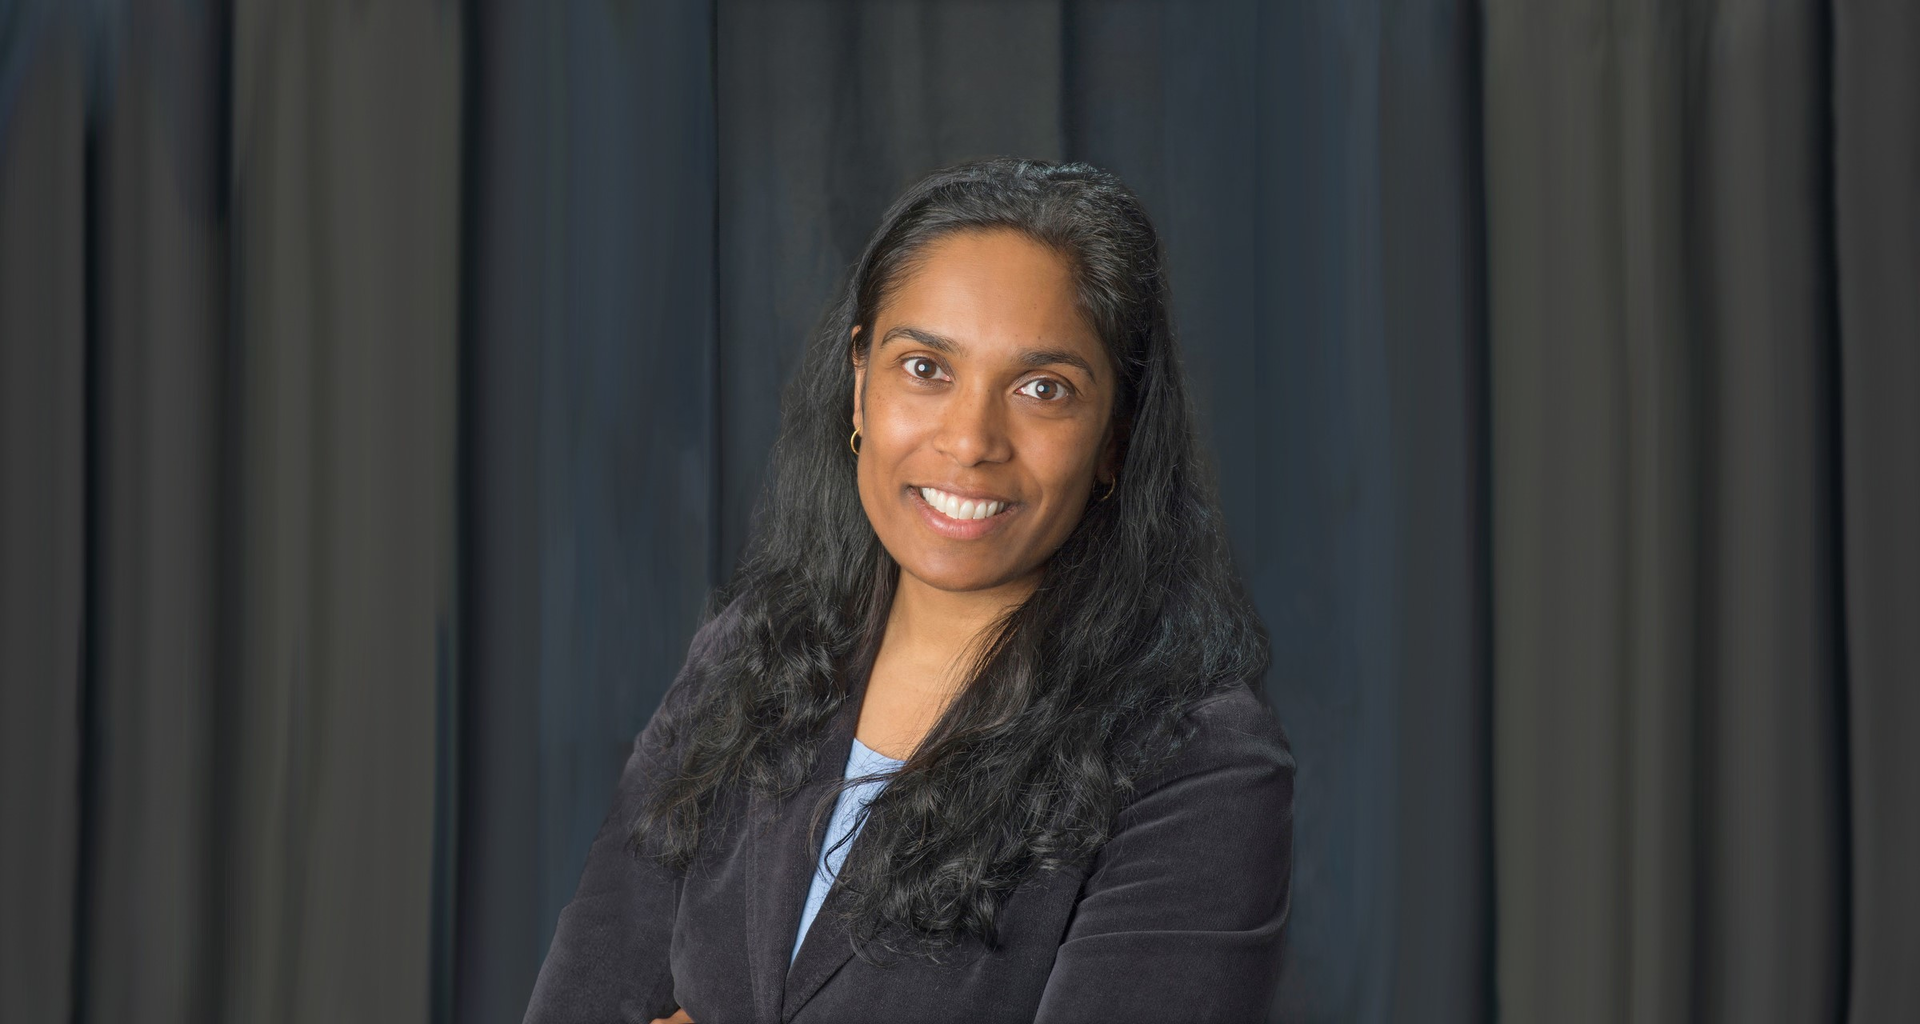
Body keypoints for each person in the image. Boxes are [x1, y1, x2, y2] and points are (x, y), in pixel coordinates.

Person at [522, 157, 1294, 1024]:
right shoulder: (751, 651)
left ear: (1114, 437)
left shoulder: (1197, 760)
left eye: (1044, 389)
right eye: (925, 368)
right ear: (860, 384)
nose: (970, 441)